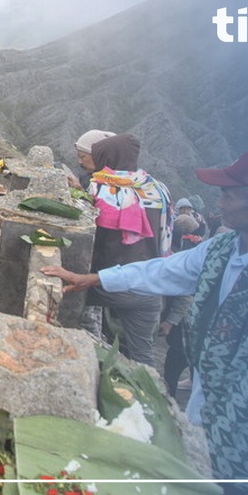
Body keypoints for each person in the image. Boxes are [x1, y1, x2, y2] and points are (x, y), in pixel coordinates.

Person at [41, 152, 248, 495]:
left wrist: (203, 442)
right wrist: (94, 278)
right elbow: (164, 270)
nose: (220, 202)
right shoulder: (224, 249)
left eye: (230, 195)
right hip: (209, 416)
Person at [81, 133, 171, 367]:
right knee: (143, 357)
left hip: (109, 283)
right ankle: (150, 399)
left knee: (78, 325)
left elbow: (90, 238)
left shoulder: (100, 188)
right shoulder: (157, 188)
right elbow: (166, 234)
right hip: (150, 284)